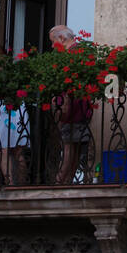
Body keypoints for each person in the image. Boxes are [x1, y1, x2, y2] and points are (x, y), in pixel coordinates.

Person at [49, 25, 93, 184]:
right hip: (80, 109)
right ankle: (66, 180)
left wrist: (61, 99)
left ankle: (59, 181)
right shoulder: (81, 52)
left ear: (62, 38)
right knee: (72, 147)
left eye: (53, 41)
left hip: (72, 110)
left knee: (68, 146)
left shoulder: (72, 54)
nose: (53, 46)